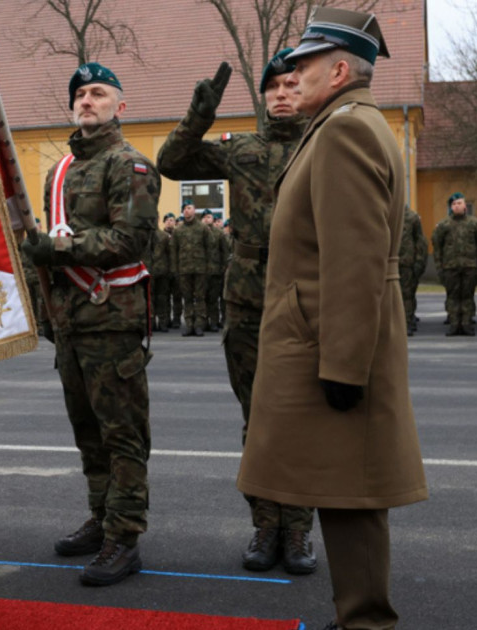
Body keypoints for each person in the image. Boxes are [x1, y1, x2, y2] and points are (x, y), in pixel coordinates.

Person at [235, 10, 428, 630]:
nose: (291, 74)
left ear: (339, 69)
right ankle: (359, 616)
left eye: (304, 64)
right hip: (323, 334)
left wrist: (342, 365)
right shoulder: (347, 125)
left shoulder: (344, 131)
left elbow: (354, 261)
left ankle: (365, 621)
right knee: (347, 491)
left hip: (329, 341)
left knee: (352, 494)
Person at [157, 49, 316, 575]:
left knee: (302, 416)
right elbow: (172, 163)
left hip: (308, 292)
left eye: (293, 85)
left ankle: (297, 529)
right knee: (257, 419)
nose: (283, 94)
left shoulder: (329, 144)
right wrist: (199, 115)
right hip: (248, 296)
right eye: (274, 88)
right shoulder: (240, 147)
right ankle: (264, 523)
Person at [23, 62, 159, 586]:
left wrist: (54, 248)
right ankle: (102, 518)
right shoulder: (59, 172)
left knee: (123, 434)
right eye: (80, 94)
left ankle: (125, 538)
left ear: (120, 106)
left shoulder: (131, 165)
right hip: (71, 322)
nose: (87, 100)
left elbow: (129, 241)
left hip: (112, 317)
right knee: (88, 433)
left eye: (99, 93)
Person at [432, 193, 477, 336]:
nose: (457, 206)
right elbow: (437, 247)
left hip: (470, 266)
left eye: (459, 203)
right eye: (454, 204)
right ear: (451, 207)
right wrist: (439, 267)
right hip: (450, 266)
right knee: (453, 297)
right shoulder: (444, 225)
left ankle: (466, 324)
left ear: (465, 206)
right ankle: (454, 325)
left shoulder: (474, 224)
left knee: (467, 296)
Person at [172, 201, 211, 336]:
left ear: (194, 210)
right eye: (184, 209)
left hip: (200, 269)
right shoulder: (178, 230)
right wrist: (175, 270)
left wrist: (209, 268)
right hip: (184, 270)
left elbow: (209, 249)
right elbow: (174, 252)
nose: (186, 211)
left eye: (189, 208)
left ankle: (199, 324)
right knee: (187, 298)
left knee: (200, 297)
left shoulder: (203, 228)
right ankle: (189, 324)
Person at [399, 206, 428, 336]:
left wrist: (419, 261)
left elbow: (420, 241)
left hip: (406, 262)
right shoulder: (385, 213)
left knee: (407, 294)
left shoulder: (411, 217)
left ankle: (406, 323)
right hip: (389, 262)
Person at [149, 214, 174, 332]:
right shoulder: (146, 236)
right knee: (153, 298)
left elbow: (169, 254)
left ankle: (161, 322)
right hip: (151, 271)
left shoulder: (164, 236)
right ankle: (153, 322)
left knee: (160, 298)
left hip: (160, 271)